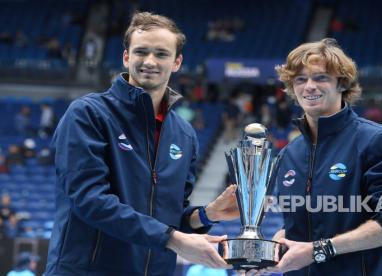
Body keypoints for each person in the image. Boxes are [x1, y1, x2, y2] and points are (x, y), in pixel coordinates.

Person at [45, 12, 239, 276]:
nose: (150, 61)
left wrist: (206, 215)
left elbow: (168, 218)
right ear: (126, 57)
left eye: (161, 54)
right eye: (141, 52)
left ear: (177, 62)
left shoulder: (184, 134)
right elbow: (89, 200)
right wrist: (173, 239)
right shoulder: (88, 114)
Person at [249, 38, 382, 275]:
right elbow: (299, 226)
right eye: (300, 79)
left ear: (342, 84)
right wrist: (275, 250)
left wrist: (319, 250)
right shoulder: (290, 153)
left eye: (320, 77)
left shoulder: (377, 141)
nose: (309, 86)